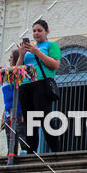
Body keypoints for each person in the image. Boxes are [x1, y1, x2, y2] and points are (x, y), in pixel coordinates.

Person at [15, 19, 62, 154]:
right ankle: (31, 151)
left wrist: (37, 52)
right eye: (34, 31)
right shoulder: (28, 51)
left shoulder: (51, 46)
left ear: (47, 31)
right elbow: (17, 70)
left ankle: (56, 150)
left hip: (41, 84)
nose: (36, 33)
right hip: (26, 85)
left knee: (44, 118)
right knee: (30, 121)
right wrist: (22, 54)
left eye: (39, 30)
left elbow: (55, 65)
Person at [1, 48, 24, 163]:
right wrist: (2, 117)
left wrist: (21, 54)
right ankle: (11, 156)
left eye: (11, 56)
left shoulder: (18, 75)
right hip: (8, 112)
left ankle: (24, 156)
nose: (9, 59)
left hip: (19, 111)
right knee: (10, 137)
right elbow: (6, 101)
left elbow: (17, 69)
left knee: (21, 135)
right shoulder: (6, 76)